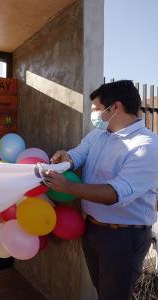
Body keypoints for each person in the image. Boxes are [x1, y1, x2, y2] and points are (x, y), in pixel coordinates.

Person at [47, 80, 158, 300]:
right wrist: (66, 158)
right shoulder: (98, 135)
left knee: (115, 295)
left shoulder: (146, 146)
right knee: (102, 289)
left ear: (115, 107)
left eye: (97, 109)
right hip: (93, 229)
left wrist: (69, 187)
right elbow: (78, 154)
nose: (94, 114)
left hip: (124, 237)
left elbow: (116, 193)